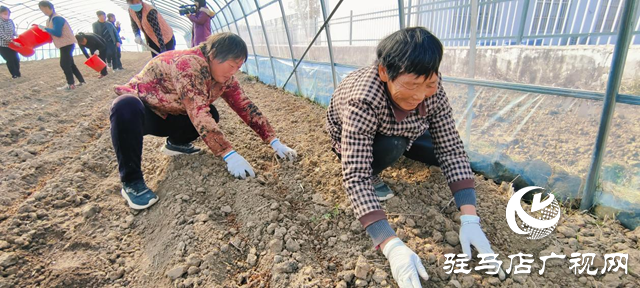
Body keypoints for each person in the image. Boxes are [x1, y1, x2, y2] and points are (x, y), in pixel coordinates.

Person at [325, 27, 505, 287]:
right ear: (385, 72)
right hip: (356, 138)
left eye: (429, 84)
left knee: (439, 149)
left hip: (406, 128)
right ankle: (385, 163)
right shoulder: (363, 99)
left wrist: (470, 218)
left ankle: (403, 143)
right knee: (392, 145)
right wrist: (391, 244)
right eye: (411, 85)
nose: (420, 95)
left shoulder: (433, 89)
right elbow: (355, 174)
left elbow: (451, 148)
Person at [110, 32, 297, 210]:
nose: (234, 72)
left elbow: (245, 106)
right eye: (232, 65)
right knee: (125, 105)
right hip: (146, 113)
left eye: (238, 67)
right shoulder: (188, 64)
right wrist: (228, 153)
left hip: (174, 114)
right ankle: (132, 182)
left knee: (212, 114)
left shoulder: (225, 78)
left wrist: (273, 140)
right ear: (214, 55)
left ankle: (176, 143)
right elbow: (197, 110)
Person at [38, 1, 85, 90]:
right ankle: (81, 81)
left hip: (67, 43)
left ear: (50, 7)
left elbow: (57, 33)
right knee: (70, 64)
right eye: (41, 9)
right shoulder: (49, 19)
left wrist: (45, 29)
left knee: (64, 64)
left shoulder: (57, 18)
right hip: (64, 44)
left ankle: (70, 84)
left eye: (44, 8)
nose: (43, 11)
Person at [0, 6, 21, 79]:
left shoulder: (10, 21)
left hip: (12, 44)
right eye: (5, 14)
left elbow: (13, 31)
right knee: (10, 59)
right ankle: (14, 74)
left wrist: (17, 35)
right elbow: (1, 34)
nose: (7, 16)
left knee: (16, 59)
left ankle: (18, 74)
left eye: (8, 14)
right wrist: (11, 40)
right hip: (3, 45)